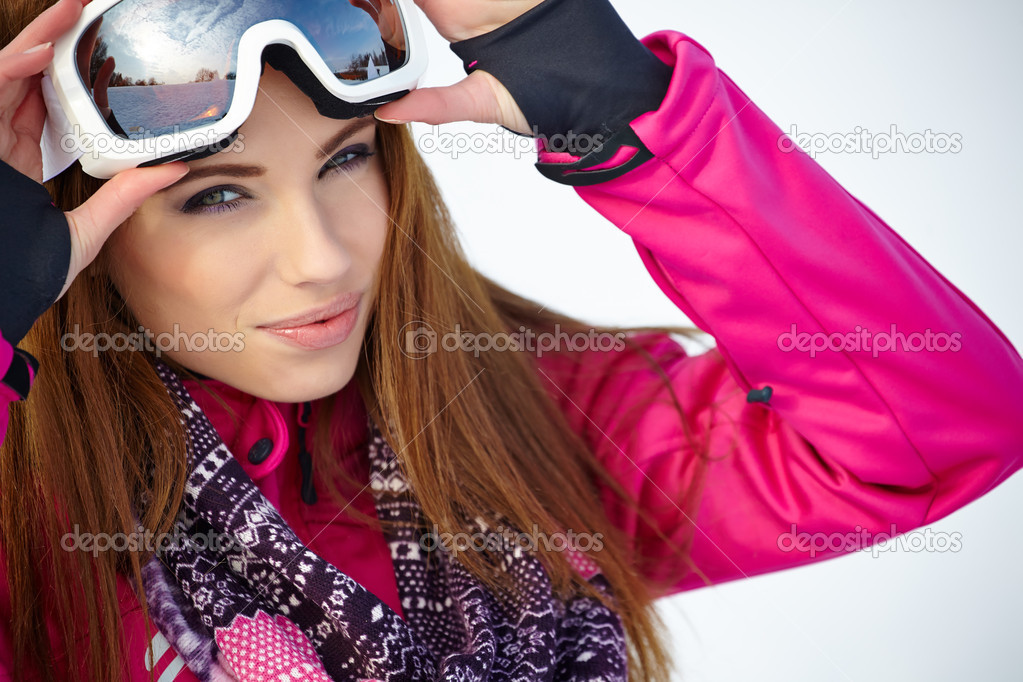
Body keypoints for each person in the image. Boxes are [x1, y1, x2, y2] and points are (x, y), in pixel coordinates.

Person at [1, 0, 1021, 680]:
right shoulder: (26, 515)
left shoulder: (531, 420)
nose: (320, 258)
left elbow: (940, 429)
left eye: (348, 159)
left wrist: (636, 121)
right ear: (63, 219)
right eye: (217, 195)